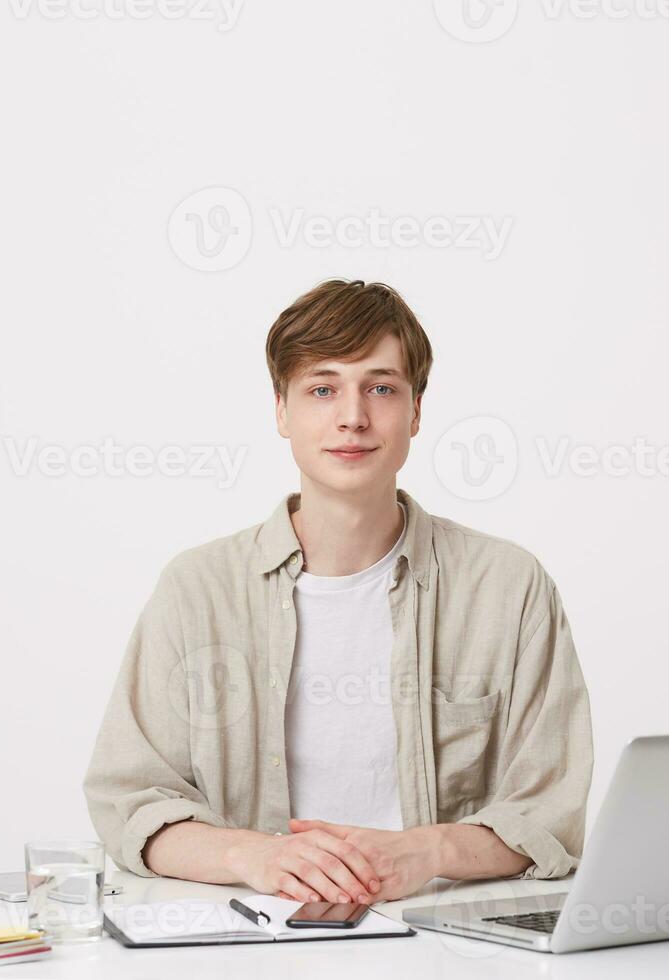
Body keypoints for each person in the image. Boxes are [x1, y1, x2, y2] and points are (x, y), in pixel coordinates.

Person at [83, 278, 592, 904]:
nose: (353, 416)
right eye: (322, 389)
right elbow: (129, 802)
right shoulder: (195, 590)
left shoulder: (509, 588)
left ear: (416, 411)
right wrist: (257, 856)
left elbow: (552, 814)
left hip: (447, 942)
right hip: (245, 943)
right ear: (281, 410)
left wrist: (427, 849)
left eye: (381, 388)